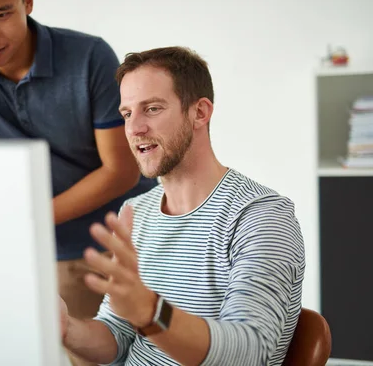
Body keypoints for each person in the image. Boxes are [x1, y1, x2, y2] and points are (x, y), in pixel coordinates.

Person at [0, 0, 156, 364]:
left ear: (28, 1)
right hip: (47, 251)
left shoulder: (90, 57)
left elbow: (121, 171)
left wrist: (31, 220)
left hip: (127, 242)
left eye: (1, 14)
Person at [60, 47, 306, 366]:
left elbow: (251, 351)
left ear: (199, 113)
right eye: (127, 114)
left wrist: (151, 311)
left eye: (152, 108)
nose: (134, 129)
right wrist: (65, 328)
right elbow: (117, 336)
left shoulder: (261, 216)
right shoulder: (135, 212)